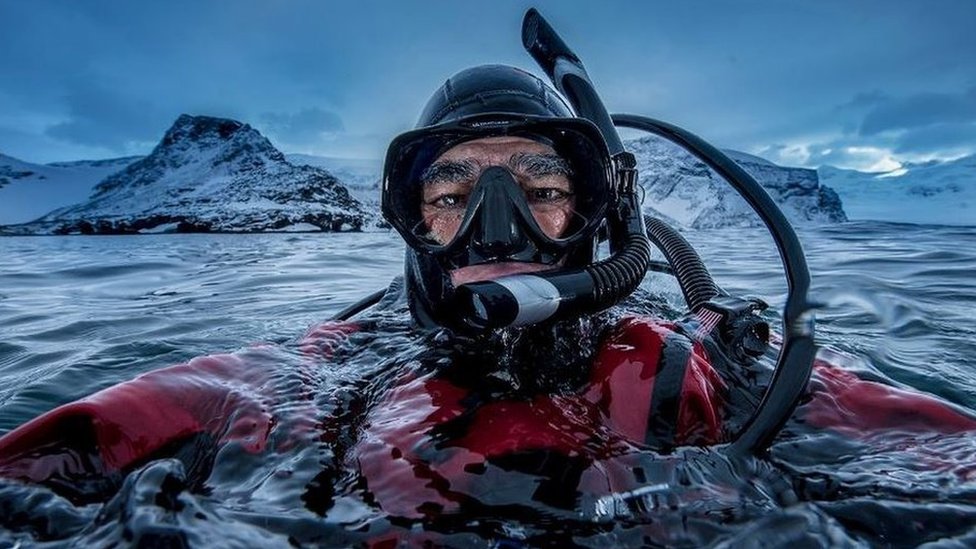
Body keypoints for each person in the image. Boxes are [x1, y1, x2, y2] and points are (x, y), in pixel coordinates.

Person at [1, 64, 974, 544]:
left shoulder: (715, 367)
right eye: (452, 191)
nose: (495, 226)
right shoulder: (311, 374)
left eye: (540, 188)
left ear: (598, 218)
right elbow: (66, 454)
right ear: (406, 218)